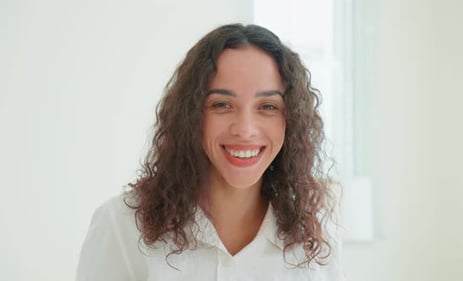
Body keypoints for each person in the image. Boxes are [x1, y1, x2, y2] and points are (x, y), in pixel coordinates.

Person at [76, 23, 345, 281]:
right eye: (221, 104)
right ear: (190, 115)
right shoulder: (121, 225)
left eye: (268, 106)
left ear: (292, 119)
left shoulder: (316, 235)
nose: (245, 129)